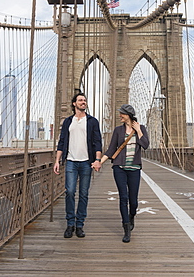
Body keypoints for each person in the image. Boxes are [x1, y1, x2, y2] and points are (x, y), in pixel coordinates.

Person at [92, 104, 149, 243]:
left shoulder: (141, 129)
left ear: (128, 115)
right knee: (123, 197)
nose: (119, 116)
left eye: (122, 113)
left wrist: (138, 131)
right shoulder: (118, 131)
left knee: (133, 201)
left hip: (134, 169)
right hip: (120, 168)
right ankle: (126, 228)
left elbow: (146, 145)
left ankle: (132, 216)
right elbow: (111, 150)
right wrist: (99, 162)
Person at [54, 92, 102, 238]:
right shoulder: (68, 121)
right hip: (71, 161)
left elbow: (97, 141)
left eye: (85, 100)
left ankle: (79, 224)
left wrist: (98, 160)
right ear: (74, 103)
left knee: (83, 194)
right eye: (80, 100)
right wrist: (57, 160)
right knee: (69, 192)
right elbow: (62, 141)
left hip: (86, 162)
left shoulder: (92, 121)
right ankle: (70, 224)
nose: (83, 102)